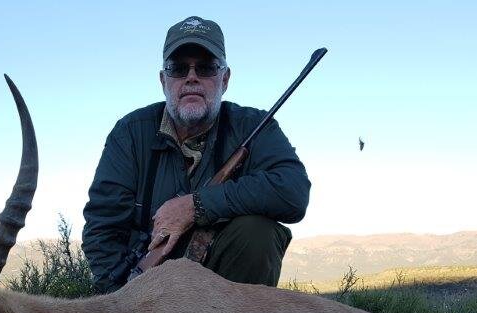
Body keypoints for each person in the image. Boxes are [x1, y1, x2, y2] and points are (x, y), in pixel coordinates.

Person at [82, 16, 310, 294]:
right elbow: (102, 228)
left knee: (258, 233)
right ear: (163, 80)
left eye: (205, 68)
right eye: (178, 69)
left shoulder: (255, 127)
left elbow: (292, 192)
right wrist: (114, 300)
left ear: (224, 79)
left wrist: (196, 206)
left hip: (221, 291)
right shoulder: (129, 133)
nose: (191, 77)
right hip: (144, 293)